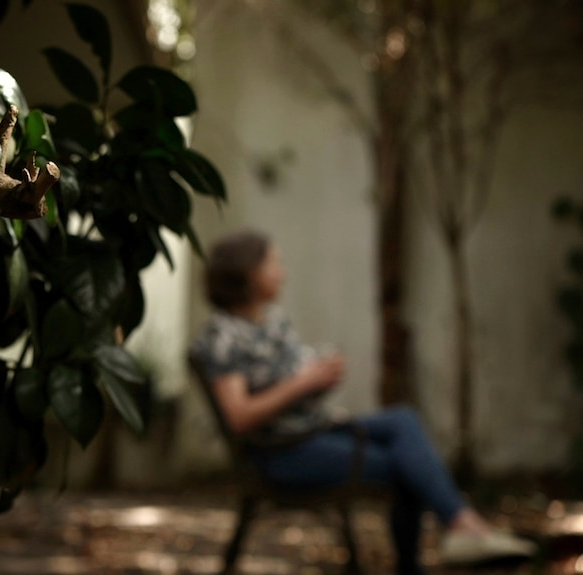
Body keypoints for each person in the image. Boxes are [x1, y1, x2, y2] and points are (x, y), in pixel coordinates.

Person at [188, 228, 536, 574]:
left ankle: (463, 525)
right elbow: (239, 416)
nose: (283, 273)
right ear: (248, 273)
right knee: (408, 466)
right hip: (281, 453)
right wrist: (303, 382)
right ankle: (446, 541)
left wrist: (318, 377)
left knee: (402, 421)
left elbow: (289, 383)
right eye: (273, 264)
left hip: (311, 432)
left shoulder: (271, 321)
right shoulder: (224, 336)